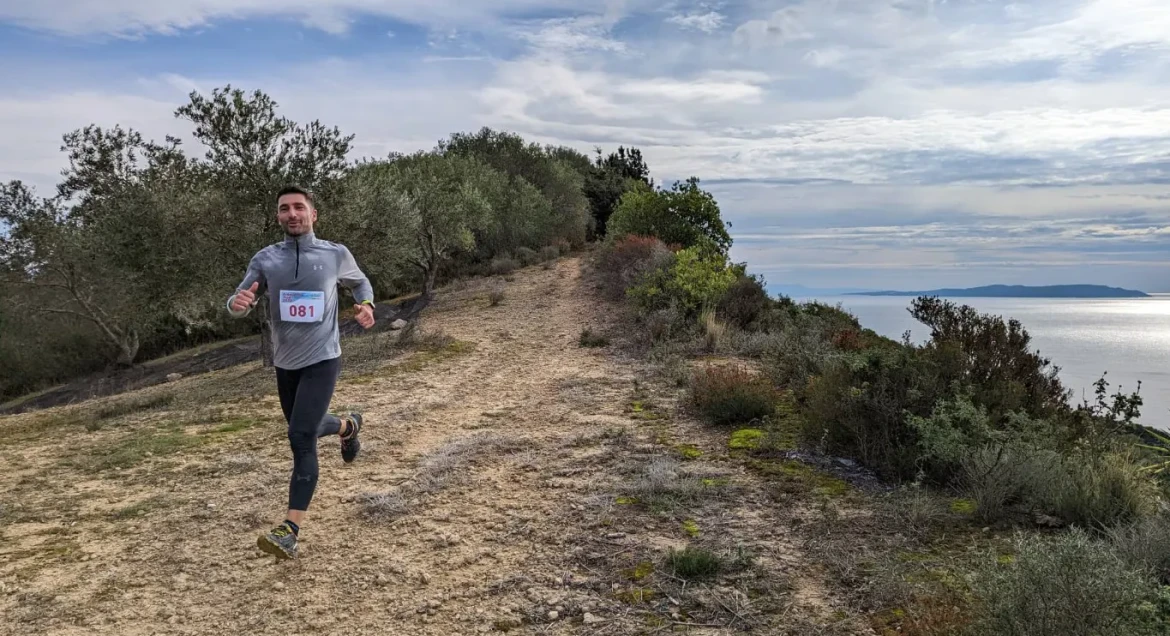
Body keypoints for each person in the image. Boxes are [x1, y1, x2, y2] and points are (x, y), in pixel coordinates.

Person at [226, 184, 376, 560]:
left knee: (300, 436)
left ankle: (289, 531)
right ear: (278, 216)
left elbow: (360, 282)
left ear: (313, 214)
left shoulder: (334, 253)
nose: (292, 214)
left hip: (323, 358)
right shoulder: (265, 259)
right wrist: (236, 304)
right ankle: (347, 427)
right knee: (303, 425)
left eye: (298, 207)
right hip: (285, 362)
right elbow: (241, 298)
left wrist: (366, 304)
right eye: (284, 209)